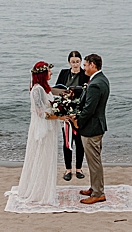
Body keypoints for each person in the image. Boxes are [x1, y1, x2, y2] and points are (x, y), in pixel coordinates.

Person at [8, 62, 65, 209]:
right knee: (42, 156)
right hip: (42, 128)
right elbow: (41, 113)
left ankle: (45, 188)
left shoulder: (44, 88)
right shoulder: (37, 90)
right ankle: (40, 191)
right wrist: (59, 116)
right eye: (49, 71)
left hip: (48, 127)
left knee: (48, 156)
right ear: (42, 74)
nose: (51, 74)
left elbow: (50, 103)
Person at [67, 55, 109, 205]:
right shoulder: (101, 79)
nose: (83, 68)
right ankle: (94, 187)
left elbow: (89, 109)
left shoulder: (95, 84)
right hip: (96, 125)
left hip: (92, 128)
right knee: (93, 161)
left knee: (94, 162)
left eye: (85, 65)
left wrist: (77, 121)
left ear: (92, 65)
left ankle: (98, 193)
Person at [53, 51, 87, 182]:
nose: (75, 64)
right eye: (73, 62)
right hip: (66, 110)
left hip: (79, 111)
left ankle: (79, 169)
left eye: (77, 61)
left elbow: (87, 91)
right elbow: (57, 89)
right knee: (67, 141)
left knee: (79, 141)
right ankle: (68, 169)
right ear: (69, 62)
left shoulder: (84, 74)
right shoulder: (64, 73)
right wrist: (64, 95)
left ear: (80, 61)